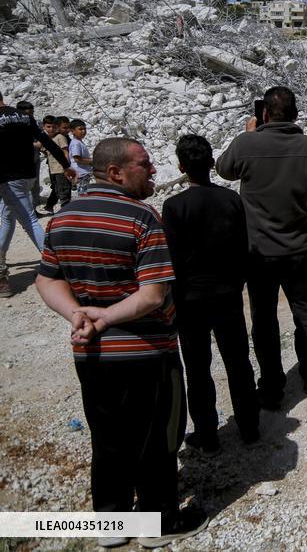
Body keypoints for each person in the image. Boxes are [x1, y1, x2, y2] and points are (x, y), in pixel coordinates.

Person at [34, 137, 208, 549]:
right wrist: (106, 316)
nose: (153, 171)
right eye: (144, 165)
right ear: (116, 172)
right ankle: (158, 522)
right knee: (157, 438)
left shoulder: (63, 219)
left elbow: (47, 279)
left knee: (108, 436)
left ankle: (111, 523)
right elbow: (153, 295)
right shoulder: (142, 219)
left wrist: (77, 314)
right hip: (147, 353)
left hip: (92, 354)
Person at [216, 86, 307, 409]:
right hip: (299, 250)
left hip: (258, 254)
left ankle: (272, 387)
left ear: (265, 114)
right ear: (296, 114)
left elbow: (222, 169)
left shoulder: (247, 144)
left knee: (265, 320)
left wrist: (246, 134)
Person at [162, 135, 260, 454]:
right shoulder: (232, 200)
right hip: (227, 295)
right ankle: (249, 428)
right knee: (238, 363)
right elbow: (244, 248)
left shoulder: (174, 206)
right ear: (212, 163)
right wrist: (238, 282)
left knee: (198, 368)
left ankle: (207, 434)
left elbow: (172, 260)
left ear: (181, 167)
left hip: (190, 301)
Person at [0, 92, 76, 298]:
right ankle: (2, 262)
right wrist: (66, 165)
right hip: (28, 176)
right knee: (7, 217)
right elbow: (47, 140)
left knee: (29, 221)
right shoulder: (23, 116)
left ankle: (59, 268)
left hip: (8, 179)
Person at [42, 115, 73, 214]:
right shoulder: (51, 138)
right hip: (54, 170)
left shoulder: (60, 137)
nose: (52, 129)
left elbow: (65, 152)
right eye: (49, 127)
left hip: (61, 169)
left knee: (64, 191)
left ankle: (66, 212)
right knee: (57, 189)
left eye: (54, 127)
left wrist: (66, 167)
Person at [16, 102, 43, 209]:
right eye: (28, 113)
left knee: (35, 184)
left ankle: (33, 209)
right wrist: (34, 144)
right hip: (23, 160)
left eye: (32, 113)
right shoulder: (15, 126)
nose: (30, 116)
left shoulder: (33, 124)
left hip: (35, 158)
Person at [68, 118, 93, 194]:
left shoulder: (78, 142)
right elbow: (77, 159)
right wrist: (91, 161)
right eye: (80, 129)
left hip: (83, 173)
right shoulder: (76, 143)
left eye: (85, 129)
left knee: (85, 192)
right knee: (83, 193)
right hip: (81, 173)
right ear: (72, 131)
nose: (83, 131)